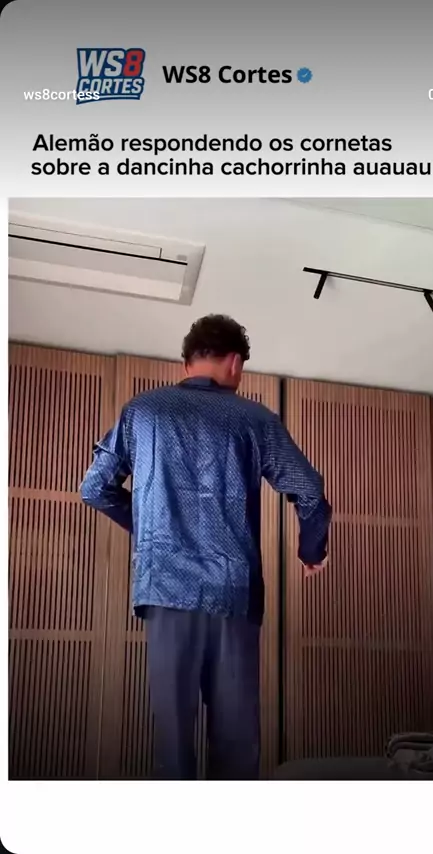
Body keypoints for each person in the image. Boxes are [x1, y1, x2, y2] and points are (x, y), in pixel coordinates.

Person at [80, 314, 332, 780]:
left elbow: (95, 488)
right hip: (232, 594)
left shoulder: (143, 411)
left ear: (187, 363)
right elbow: (309, 490)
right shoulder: (254, 419)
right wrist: (311, 550)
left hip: (164, 589)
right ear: (235, 363)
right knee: (235, 743)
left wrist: (151, 528)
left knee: (172, 739)